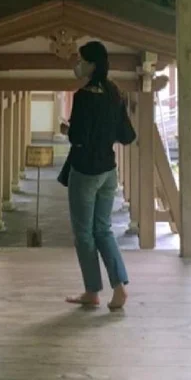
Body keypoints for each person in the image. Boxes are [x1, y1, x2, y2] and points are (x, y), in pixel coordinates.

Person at [59, 40, 136, 311]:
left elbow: (78, 137)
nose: (76, 64)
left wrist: (66, 129)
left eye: (80, 60)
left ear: (91, 64)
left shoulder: (83, 96)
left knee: (84, 233)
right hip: (108, 171)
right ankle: (119, 288)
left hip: (85, 172)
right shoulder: (113, 92)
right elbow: (127, 135)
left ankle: (92, 291)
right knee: (103, 229)